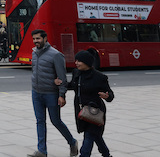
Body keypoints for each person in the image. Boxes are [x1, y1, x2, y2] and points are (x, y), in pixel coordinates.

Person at [28, 29, 79, 157]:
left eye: (38, 38)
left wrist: (62, 95)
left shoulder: (56, 55)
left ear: (45, 39)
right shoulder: (34, 53)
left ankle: (72, 142)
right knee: (40, 121)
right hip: (36, 93)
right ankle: (42, 151)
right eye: (34, 39)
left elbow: (62, 77)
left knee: (55, 121)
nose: (36, 41)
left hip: (51, 94)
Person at [66, 50, 115, 157]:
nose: (76, 63)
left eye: (79, 61)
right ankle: (106, 155)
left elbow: (110, 94)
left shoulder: (99, 77)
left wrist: (107, 96)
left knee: (89, 136)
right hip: (81, 111)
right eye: (76, 60)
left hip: (94, 111)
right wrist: (60, 84)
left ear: (87, 62)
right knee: (95, 136)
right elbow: (71, 85)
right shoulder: (76, 73)